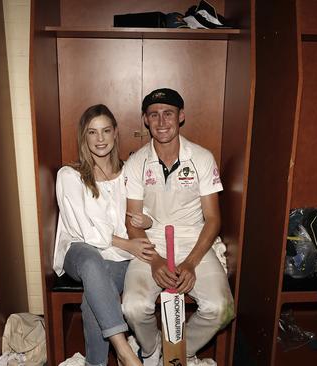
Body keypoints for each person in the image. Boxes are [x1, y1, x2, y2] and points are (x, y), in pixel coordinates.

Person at [122, 88, 235, 365]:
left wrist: (191, 263)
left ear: (181, 116)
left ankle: (177, 354)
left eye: (168, 114)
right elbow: (132, 221)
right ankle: (150, 349)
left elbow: (213, 219)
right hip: (151, 243)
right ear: (145, 120)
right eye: (154, 115)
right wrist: (156, 261)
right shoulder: (137, 162)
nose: (162, 122)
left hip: (194, 240)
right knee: (133, 307)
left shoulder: (202, 158)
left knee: (222, 309)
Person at [54, 104, 156, 366]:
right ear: (83, 137)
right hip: (79, 251)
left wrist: (147, 219)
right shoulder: (70, 176)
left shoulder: (129, 173)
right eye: (92, 132)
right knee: (91, 262)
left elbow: (149, 211)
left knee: (95, 294)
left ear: (115, 133)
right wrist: (128, 244)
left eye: (105, 131)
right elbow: (86, 231)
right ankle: (124, 351)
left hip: (119, 257)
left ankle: (95, 363)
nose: (100, 139)